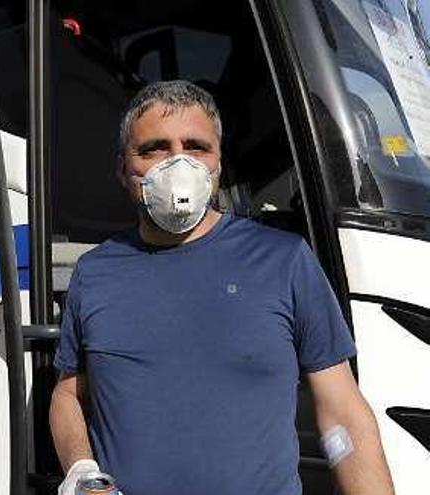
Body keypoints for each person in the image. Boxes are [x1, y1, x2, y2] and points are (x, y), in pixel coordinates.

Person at [49, 80, 395, 495]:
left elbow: (343, 414)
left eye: (196, 146)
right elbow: (69, 394)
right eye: (154, 148)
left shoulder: (283, 260)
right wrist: (81, 467)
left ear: (217, 166)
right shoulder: (94, 273)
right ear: (123, 169)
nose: (177, 164)